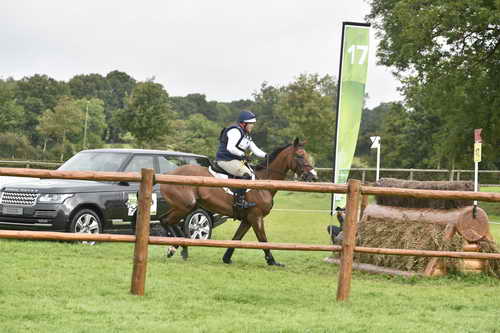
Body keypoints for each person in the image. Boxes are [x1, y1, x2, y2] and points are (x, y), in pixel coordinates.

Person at [216, 110, 267, 209]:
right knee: (246, 174)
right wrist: (243, 154)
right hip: (225, 160)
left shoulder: (246, 135)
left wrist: (267, 156)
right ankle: (239, 201)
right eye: (251, 124)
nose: (252, 126)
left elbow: (255, 149)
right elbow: (230, 148)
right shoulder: (235, 131)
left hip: (235, 161)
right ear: (244, 123)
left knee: (252, 172)